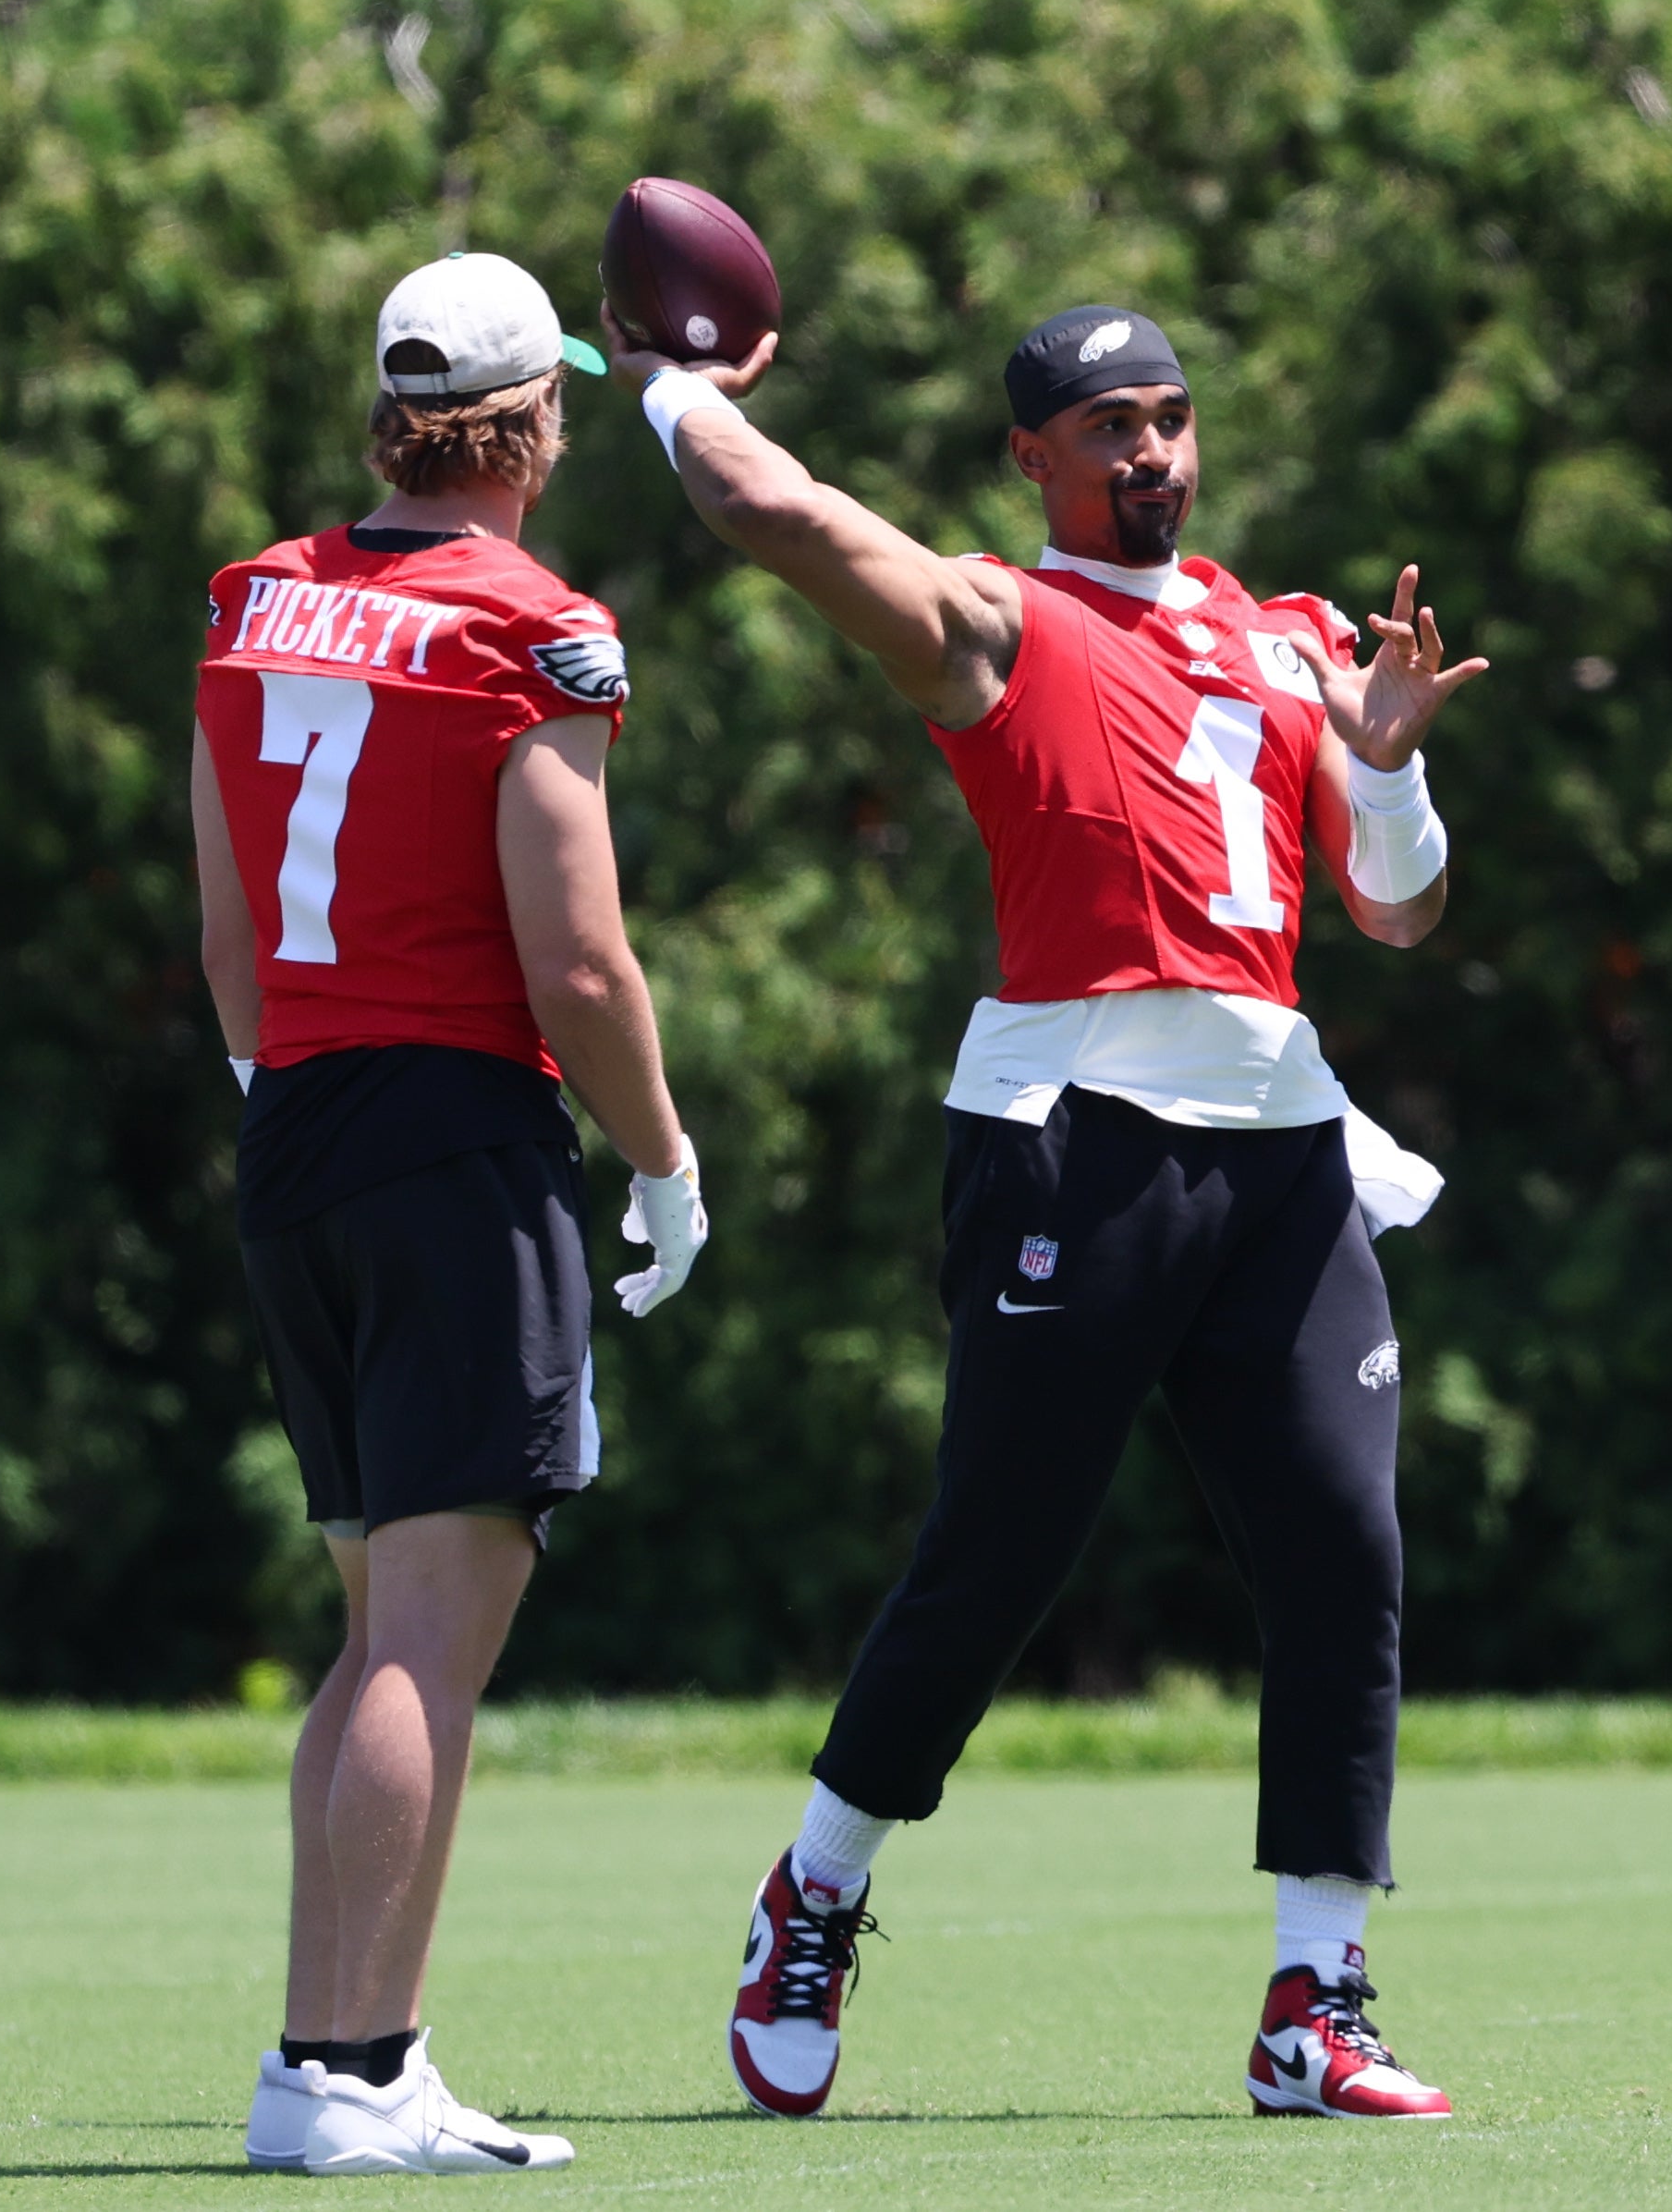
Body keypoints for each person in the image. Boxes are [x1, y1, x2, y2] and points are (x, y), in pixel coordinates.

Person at [614, 304, 1483, 2122]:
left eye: (1170, 417)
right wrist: (672, 383)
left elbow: (1396, 913)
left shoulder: (1289, 633)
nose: (1152, 450)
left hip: (1278, 1143)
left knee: (1342, 1547)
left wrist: (1392, 762)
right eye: (1109, 425)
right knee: (998, 1558)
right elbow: (779, 515)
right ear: (1034, 456)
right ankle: (816, 1887)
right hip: (1073, 1140)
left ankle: (1314, 2000)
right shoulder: (998, 621)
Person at [194, 251, 707, 2177]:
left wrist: (281, 1098)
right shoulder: (536, 626)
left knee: (368, 1633)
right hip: (453, 1141)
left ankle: (317, 2068)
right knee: (431, 1637)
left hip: (297, 1129)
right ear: (530, 428)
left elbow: (230, 926)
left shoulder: (254, 597)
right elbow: (577, 963)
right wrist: (661, 1157)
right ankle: (358, 2067)